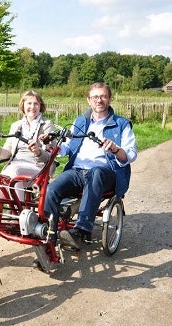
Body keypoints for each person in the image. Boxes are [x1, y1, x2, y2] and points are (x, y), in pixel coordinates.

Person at [43, 82, 137, 249]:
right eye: (95, 97)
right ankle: (48, 236)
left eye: (103, 96)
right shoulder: (80, 121)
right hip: (77, 171)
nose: (99, 100)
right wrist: (52, 145)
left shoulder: (121, 124)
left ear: (109, 99)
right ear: (89, 100)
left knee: (96, 172)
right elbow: (65, 148)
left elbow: (130, 155)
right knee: (51, 189)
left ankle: (81, 231)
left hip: (107, 172)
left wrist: (115, 149)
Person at [0, 90, 54, 201]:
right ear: (23, 105)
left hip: (38, 168)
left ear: (40, 106)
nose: (32, 107)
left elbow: (50, 156)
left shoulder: (47, 125)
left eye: (36, 103)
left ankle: (18, 213)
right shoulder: (16, 125)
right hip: (15, 167)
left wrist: (37, 151)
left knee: (13, 172)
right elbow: (8, 153)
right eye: (29, 103)